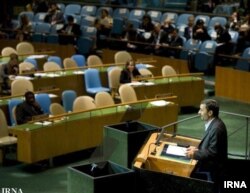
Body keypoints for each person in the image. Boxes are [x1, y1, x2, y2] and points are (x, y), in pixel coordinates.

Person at [186, 99, 228, 192]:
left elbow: (213, 153)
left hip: (212, 172)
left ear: (210, 113)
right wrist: (197, 149)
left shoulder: (217, 128)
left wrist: (194, 154)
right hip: (210, 168)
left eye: (201, 110)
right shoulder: (213, 124)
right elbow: (210, 147)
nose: (198, 112)